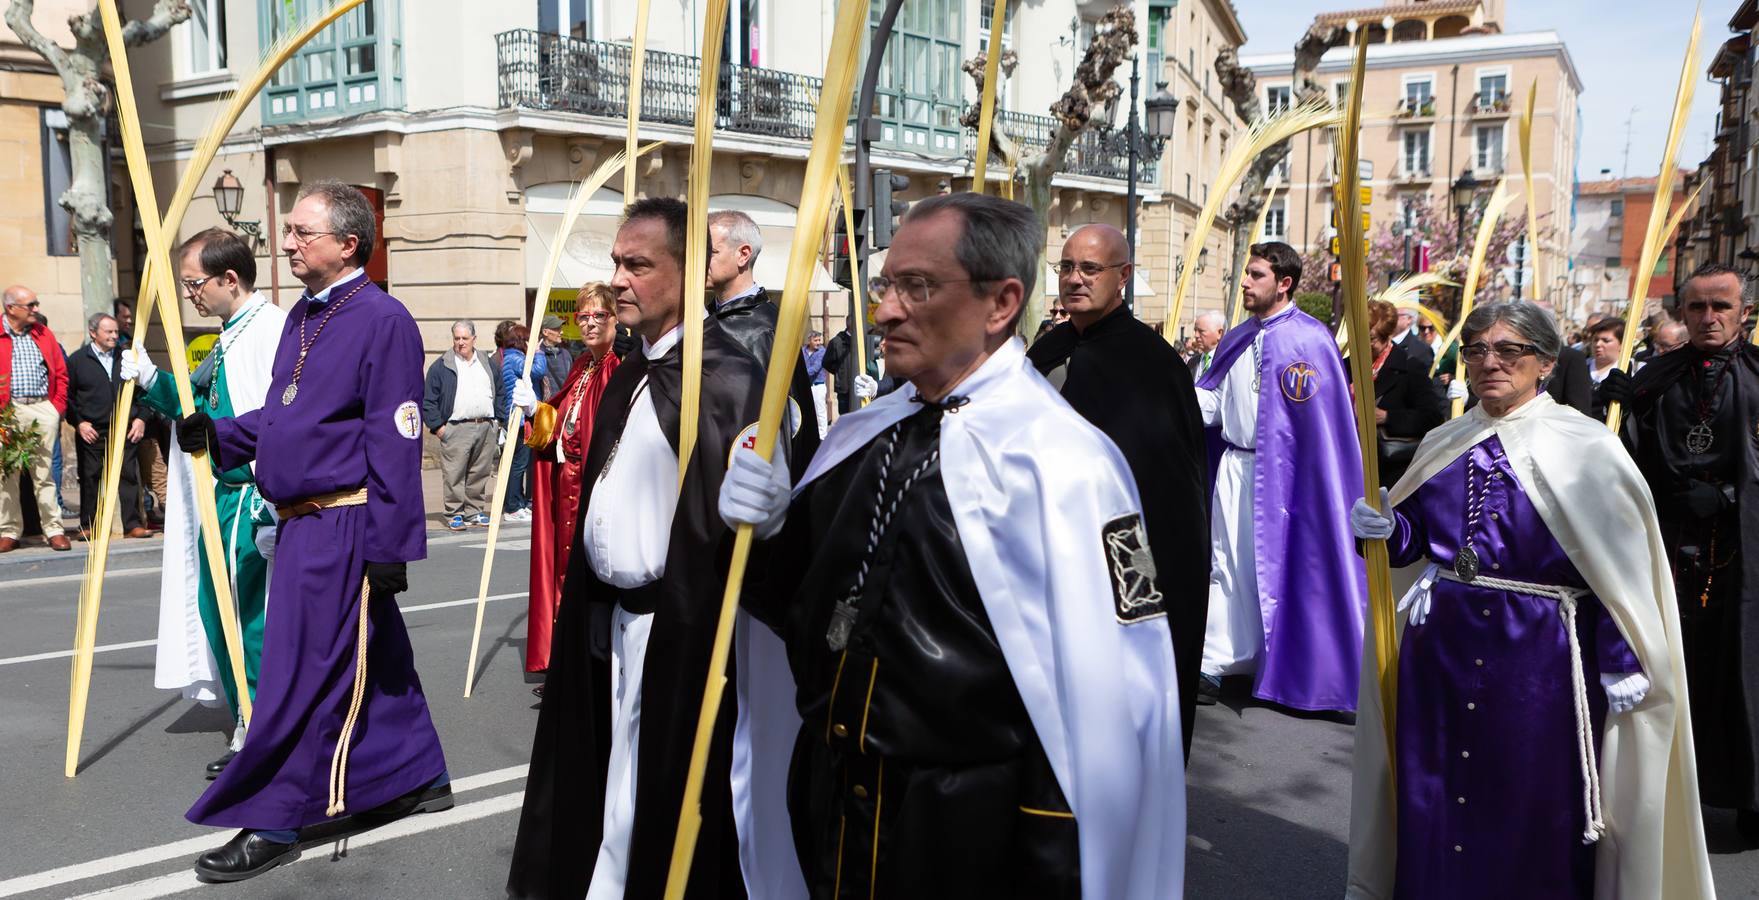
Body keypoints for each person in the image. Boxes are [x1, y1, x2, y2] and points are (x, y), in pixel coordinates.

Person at [720, 193, 1185, 898]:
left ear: (1000, 303)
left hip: (965, 829)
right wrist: (767, 529)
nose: (884, 312)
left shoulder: (1064, 463)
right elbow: (797, 610)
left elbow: (1114, 696)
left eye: (917, 287)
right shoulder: (862, 438)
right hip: (835, 803)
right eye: (885, 285)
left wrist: (1053, 850)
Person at [1346, 301, 1713, 898]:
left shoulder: (1586, 446)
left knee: (1528, 796)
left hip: (1538, 657)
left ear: (1544, 361)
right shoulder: (1447, 437)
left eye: (1508, 350)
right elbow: (1419, 536)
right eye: (1477, 350)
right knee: (1434, 787)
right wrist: (1387, 529)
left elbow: (1617, 568)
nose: (1490, 362)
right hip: (1440, 650)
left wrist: (1621, 652)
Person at [178, 180, 448, 882]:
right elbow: (285, 416)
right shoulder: (304, 314)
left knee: (302, 678)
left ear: (347, 244)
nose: (287, 243)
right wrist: (218, 434)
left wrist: (391, 545)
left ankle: (275, 818)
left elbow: (394, 437)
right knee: (374, 656)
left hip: (346, 523)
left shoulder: (383, 318)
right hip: (300, 525)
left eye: (301, 232)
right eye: (288, 231)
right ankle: (419, 774)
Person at [508, 198, 765, 899]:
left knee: (661, 793)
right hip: (608, 619)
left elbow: (757, 538)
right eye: (616, 262)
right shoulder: (626, 372)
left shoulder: (728, 378)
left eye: (637, 264)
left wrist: (767, 511)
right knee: (613, 782)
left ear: (687, 275)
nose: (617, 279)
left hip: (679, 629)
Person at [1027, 222, 1209, 755]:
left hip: (1115, 572)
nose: (1075, 279)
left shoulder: (1153, 367)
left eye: (1090, 268)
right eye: (1066, 267)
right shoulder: (1046, 351)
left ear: (1123, 276)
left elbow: (1169, 498)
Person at [1602, 262, 1759, 841]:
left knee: (1742, 671)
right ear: (1682, 311)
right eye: (1697, 307)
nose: (1709, 317)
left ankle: (1749, 800)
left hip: (1744, 554)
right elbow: (1617, 467)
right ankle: (1664, 794)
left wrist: (1726, 494)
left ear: (1745, 312)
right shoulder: (1655, 378)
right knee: (1671, 666)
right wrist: (1612, 412)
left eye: (1722, 306)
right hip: (1669, 550)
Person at [125, 228, 288, 777]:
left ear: (230, 279)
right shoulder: (229, 334)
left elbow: (276, 419)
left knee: (250, 619)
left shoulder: (269, 331)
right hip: (221, 497)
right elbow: (201, 413)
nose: (190, 293)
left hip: (249, 498)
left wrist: (273, 499)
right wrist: (151, 379)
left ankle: (263, 730)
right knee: (219, 613)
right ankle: (250, 717)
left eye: (194, 283)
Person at [1193, 242, 1367, 711]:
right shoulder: (1235, 338)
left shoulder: (1311, 340)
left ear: (1283, 283)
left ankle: (1298, 667)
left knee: (1284, 569)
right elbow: (1212, 402)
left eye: (1255, 275)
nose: (1245, 283)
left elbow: (1327, 429)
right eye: (1246, 274)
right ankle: (1219, 660)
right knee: (1226, 564)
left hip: (1287, 478)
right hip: (1234, 465)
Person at [520, 283, 621, 681]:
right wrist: (536, 409)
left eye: (599, 315)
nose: (590, 323)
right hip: (566, 484)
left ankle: (588, 665)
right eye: (583, 316)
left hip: (593, 489)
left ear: (615, 319)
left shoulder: (618, 368)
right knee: (562, 569)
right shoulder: (581, 365)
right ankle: (565, 662)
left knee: (587, 573)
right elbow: (561, 424)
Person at [705, 208, 821, 473]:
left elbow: (788, 421)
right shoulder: (704, 318)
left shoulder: (766, 328)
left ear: (743, 254)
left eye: (711, 252)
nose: (700, 261)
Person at [65, 312, 147, 539]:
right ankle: (89, 526)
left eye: (115, 332)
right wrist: (80, 423)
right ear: (93, 333)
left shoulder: (127, 357)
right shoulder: (77, 360)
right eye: (108, 332)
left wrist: (141, 419)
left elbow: (143, 392)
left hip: (125, 427)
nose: (114, 336)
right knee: (91, 478)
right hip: (93, 430)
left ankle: (132, 524)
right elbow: (69, 398)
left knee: (128, 476)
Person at [0, 285, 69, 552]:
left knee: (44, 473)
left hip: (42, 408)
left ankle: (54, 529)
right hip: (8, 411)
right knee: (7, 474)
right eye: (30, 305)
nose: (36, 309)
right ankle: (9, 531)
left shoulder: (43, 333)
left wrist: (56, 408)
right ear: (11, 308)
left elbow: (61, 373)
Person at [421, 320, 502, 530]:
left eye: (465, 338)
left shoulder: (487, 362)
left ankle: (474, 511)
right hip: (456, 428)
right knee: (454, 474)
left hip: (485, 426)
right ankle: (454, 512)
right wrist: (439, 428)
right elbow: (428, 400)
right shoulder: (442, 366)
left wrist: (498, 421)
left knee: (480, 472)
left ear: (474, 339)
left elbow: (500, 390)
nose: (460, 343)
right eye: (456, 338)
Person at [1362, 299, 1444, 488]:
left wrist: (1387, 417)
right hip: (1352, 463)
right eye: (1361, 338)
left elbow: (1432, 417)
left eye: (1372, 339)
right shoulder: (1348, 366)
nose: (1366, 345)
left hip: (1390, 473)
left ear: (1387, 336)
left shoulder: (1410, 367)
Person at [498, 322, 546, 522]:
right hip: (518, 418)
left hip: (522, 417)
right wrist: (539, 353)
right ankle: (512, 506)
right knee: (518, 464)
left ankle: (518, 502)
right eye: (527, 340)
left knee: (521, 462)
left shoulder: (512, 358)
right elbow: (537, 371)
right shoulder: (515, 359)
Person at [1585, 316, 1624, 420]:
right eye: (1595, 340)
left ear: (1621, 344)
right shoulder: (1581, 368)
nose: (1598, 344)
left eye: (1606, 341)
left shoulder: (1631, 371)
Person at [1390, 305, 1435, 374]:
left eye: (1396, 315)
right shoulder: (1381, 343)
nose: (1390, 318)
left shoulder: (1422, 349)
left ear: (1409, 319)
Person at [538, 315, 574, 398]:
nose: (561, 332)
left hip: (564, 404)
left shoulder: (566, 354)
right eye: (557, 329)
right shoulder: (538, 355)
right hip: (546, 407)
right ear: (545, 332)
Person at [803, 330, 828, 438]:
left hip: (818, 386)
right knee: (807, 411)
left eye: (819, 340)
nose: (818, 342)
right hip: (806, 386)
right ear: (809, 340)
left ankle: (822, 436)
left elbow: (815, 368)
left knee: (820, 411)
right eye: (815, 340)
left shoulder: (822, 351)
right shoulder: (802, 351)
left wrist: (801, 373)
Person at [1188, 309, 1226, 378]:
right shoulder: (1192, 363)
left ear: (1219, 333)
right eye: (1195, 330)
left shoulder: (1227, 362)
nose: (1196, 335)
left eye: (1201, 331)